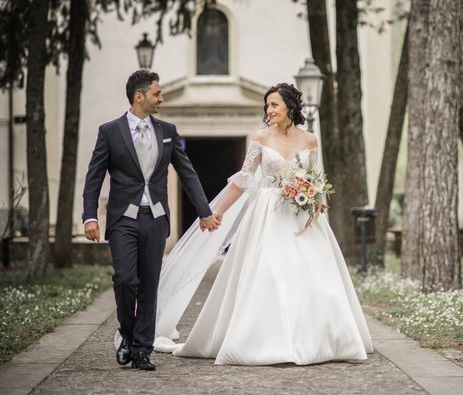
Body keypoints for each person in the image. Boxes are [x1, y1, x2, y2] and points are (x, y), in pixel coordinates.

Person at [156, 82, 373, 365]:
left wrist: (314, 201)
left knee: (312, 276)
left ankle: (319, 339)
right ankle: (266, 339)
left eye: (274, 105)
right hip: (268, 215)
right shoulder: (260, 138)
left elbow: (316, 180)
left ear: (290, 107)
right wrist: (216, 211)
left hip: (301, 216)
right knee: (270, 272)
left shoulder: (310, 140)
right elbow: (244, 180)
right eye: (267, 105)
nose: (269, 110)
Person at [82, 70, 219, 371]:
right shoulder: (110, 131)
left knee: (149, 286)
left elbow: (188, 173)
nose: (162, 98)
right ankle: (127, 336)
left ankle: (142, 348)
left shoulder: (168, 130)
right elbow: (94, 177)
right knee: (125, 280)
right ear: (139, 96)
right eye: (157, 93)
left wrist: (205, 212)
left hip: (155, 219)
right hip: (122, 219)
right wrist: (90, 216)